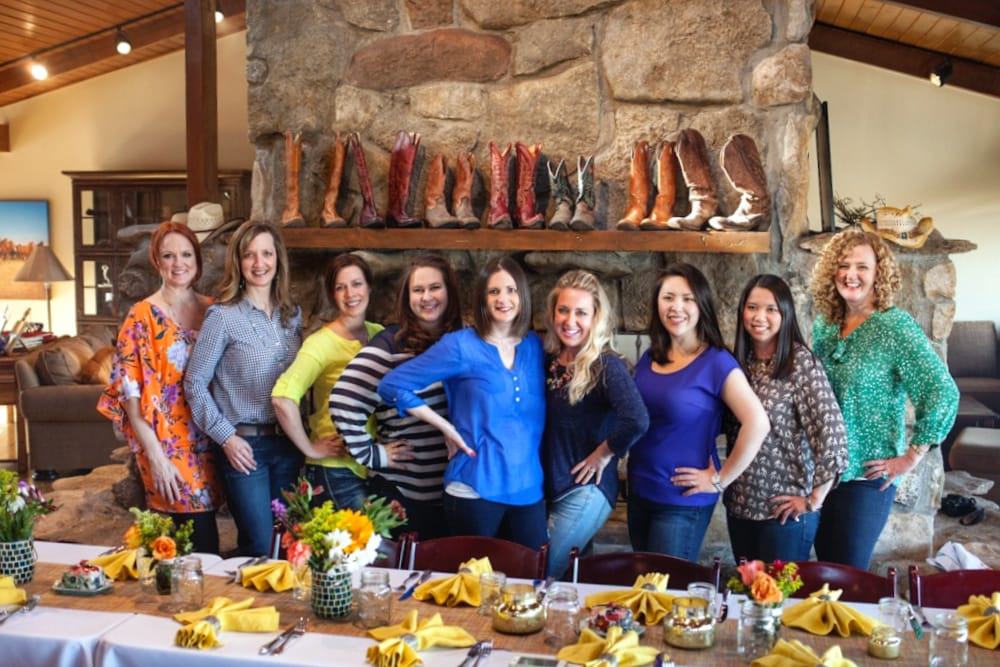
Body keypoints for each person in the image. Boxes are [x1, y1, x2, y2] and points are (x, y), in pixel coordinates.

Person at [810, 228, 958, 569]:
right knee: (822, 574)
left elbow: (942, 391)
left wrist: (911, 457)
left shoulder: (895, 327)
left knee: (847, 575)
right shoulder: (825, 326)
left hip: (866, 475)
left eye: (862, 266)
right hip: (823, 472)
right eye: (843, 265)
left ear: (879, 273)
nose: (851, 275)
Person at [378, 256, 547, 548]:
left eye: (511, 290)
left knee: (532, 587)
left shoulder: (535, 345)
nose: (503, 299)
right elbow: (392, 386)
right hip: (473, 490)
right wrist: (445, 427)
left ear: (523, 295)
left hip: (529, 491)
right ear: (482, 298)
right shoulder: (460, 345)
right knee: (473, 588)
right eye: (493, 291)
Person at [628, 263, 769, 561]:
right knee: (642, 592)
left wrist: (720, 479)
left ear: (701, 305)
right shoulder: (648, 357)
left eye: (687, 299)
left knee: (666, 598)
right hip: (639, 492)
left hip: (681, 503)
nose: (676, 307)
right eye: (668, 298)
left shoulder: (716, 362)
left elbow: (757, 423)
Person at [98, 222, 223, 553]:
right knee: (189, 538)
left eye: (185, 254)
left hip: (214, 438)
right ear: (156, 261)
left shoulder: (214, 310)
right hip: (166, 444)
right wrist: (156, 456)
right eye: (168, 255)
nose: (178, 263)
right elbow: (128, 398)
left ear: (197, 260)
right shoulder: (141, 318)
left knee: (205, 535)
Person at [185, 220, 303, 556]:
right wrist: (226, 437)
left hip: (289, 444)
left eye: (266, 253)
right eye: (249, 255)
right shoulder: (222, 317)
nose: (259, 263)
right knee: (260, 545)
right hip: (245, 447)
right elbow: (194, 383)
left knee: (290, 546)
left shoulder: (291, 315)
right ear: (237, 262)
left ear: (278, 259)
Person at [330, 254, 464, 538]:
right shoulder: (391, 345)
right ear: (407, 297)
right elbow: (343, 399)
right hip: (403, 498)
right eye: (418, 290)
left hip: (454, 494)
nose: (426, 297)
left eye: (434, 288)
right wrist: (374, 455)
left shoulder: (462, 342)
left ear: (450, 292)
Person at [724, 274, 848, 563]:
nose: (759, 317)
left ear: (786, 314)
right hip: (740, 507)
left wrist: (813, 500)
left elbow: (833, 434)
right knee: (748, 601)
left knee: (780, 604)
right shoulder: (739, 364)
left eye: (771, 309)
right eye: (752, 307)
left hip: (782, 517)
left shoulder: (800, 363)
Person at [542, 270, 649, 578]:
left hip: (585, 491)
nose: (570, 320)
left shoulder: (606, 365)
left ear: (596, 317)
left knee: (543, 572)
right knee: (570, 578)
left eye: (581, 313)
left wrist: (604, 453)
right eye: (563, 310)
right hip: (553, 488)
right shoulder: (549, 361)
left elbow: (637, 419)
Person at [271, 253, 383, 510]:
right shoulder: (321, 343)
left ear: (369, 287)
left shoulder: (379, 334)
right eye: (340, 287)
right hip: (335, 469)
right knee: (358, 549)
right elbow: (282, 398)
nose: (350, 294)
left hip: (368, 465)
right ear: (333, 295)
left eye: (356, 284)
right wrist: (310, 449)